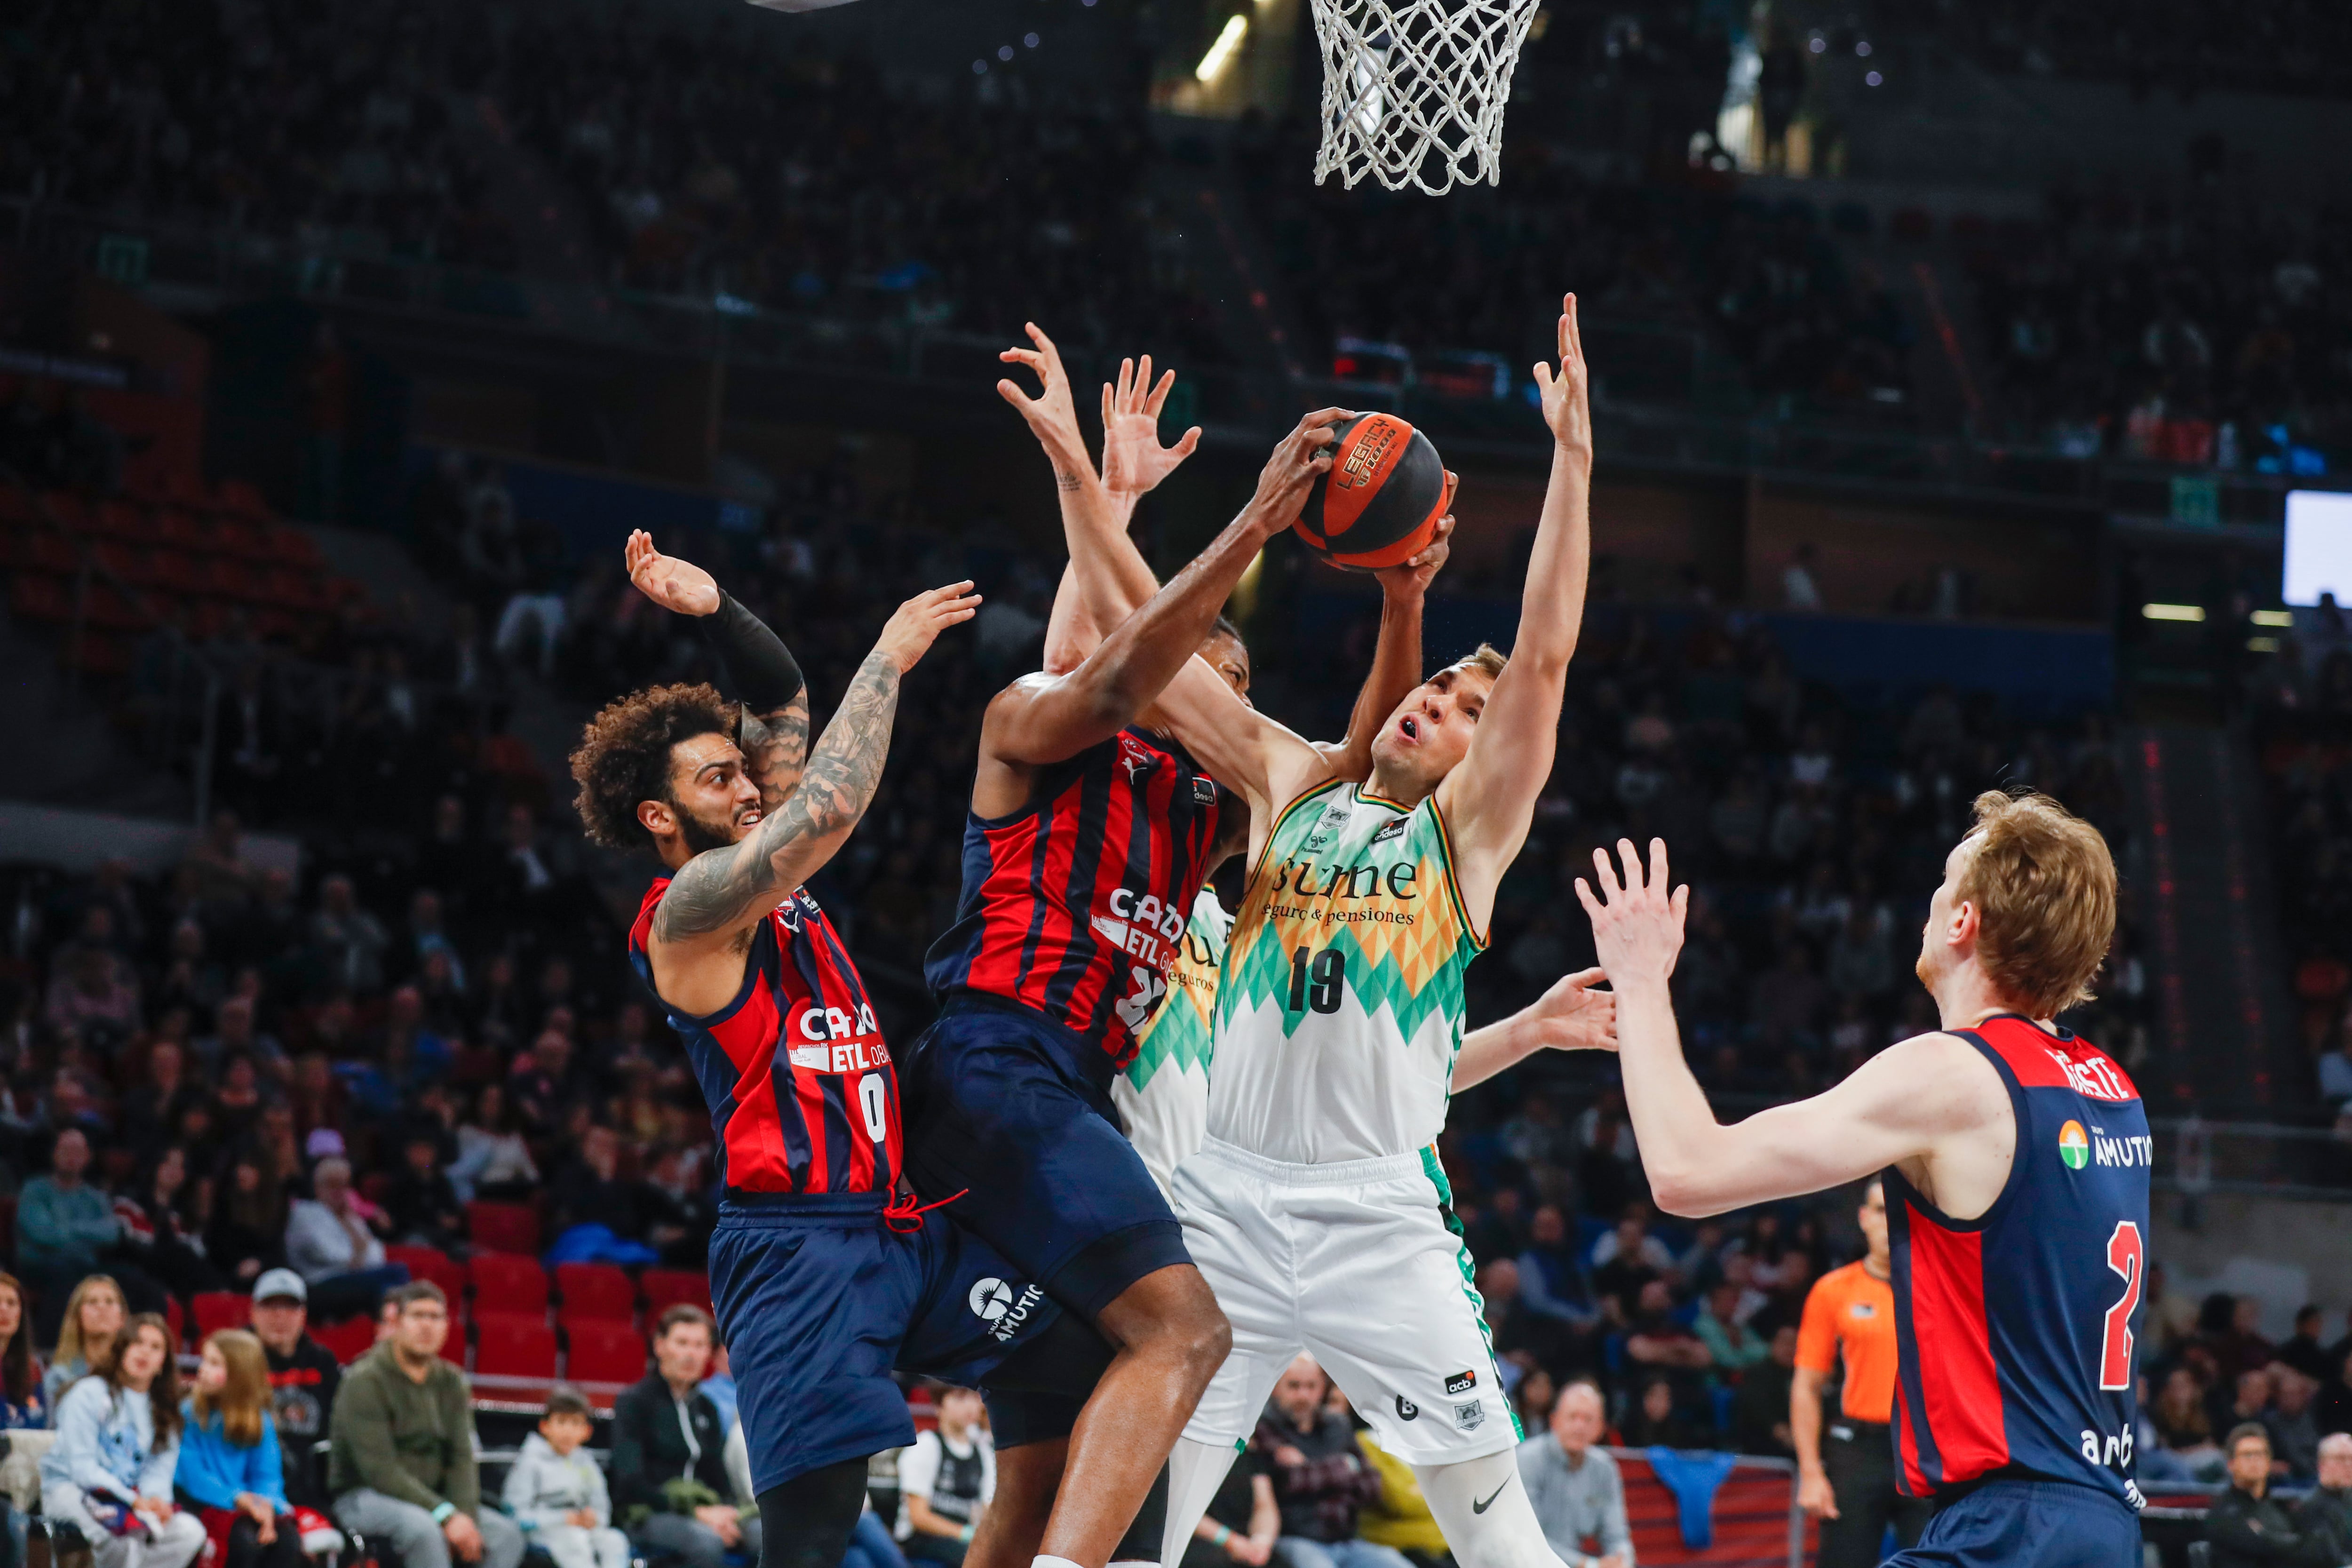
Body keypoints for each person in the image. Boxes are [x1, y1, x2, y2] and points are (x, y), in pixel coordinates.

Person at [1157, 297, 1612, 1568]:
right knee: (1140, 1518)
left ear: (1483, 756)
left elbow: (1548, 656)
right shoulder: (1295, 784)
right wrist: (1112, 491)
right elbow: (1122, 654)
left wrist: (1573, 462)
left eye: (1465, 707)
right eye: (1430, 686)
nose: (1436, 702)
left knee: (1500, 1531)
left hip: (1379, 1216)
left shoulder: (1460, 846)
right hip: (1225, 1196)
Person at [899, 384, 1365, 1568]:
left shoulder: (1209, 808)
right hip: (996, 1064)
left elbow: (1336, 779)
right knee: (1184, 1331)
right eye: (1206, 660)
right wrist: (1213, 518)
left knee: (1039, 1458)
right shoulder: (1039, 721)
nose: (1225, 690)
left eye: (1242, 680)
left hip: (1063, 1100)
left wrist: (1401, 599)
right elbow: (1100, 666)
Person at [582, 543, 1093, 1568]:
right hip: (796, 1246)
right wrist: (890, 659)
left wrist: (718, 606)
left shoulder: (747, 849)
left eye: (739, 768)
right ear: (658, 816)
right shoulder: (687, 913)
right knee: (815, 1536)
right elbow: (832, 806)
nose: (745, 784)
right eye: (717, 776)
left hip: (894, 1223)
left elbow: (778, 694)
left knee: (1074, 1360)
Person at [1582, 787, 2147, 1567]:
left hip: (2010, 1526)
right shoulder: (2113, 1088)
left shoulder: (1956, 1074)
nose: (1930, 900)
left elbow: (1686, 1170)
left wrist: (1641, 981)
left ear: (1963, 920)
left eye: (1945, 882)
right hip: (2102, 1520)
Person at [328, 1281, 524, 1568]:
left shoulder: (452, 1381)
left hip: (435, 1499)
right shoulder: (365, 1380)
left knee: (506, 1536)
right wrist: (445, 1514)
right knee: (424, 1530)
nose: (427, 1326)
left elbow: (461, 1457)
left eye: (436, 1318)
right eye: (418, 1316)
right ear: (396, 1322)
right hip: (365, 1496)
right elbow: (379, 1471)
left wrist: (464, 1517)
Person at [1789, 1179, 1926, 1566]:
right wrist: (1811, 1471)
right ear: (1864, 1218)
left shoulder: (1941, 1287)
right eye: (1881, 1211)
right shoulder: (1833, 1290)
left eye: (1899, 1210)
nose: (1890, 1221)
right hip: (1858, 1449)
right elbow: (1807, 1385)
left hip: (1928, 1446)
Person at [40, 1313, 206, 1568]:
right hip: (72, 1489)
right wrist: (132, 1500)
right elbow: (82, 1469)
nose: (145, 1352)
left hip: (131, 1499)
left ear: (163, 1363)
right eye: (137, 1343)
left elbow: (158, 1471)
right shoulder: (88, 1393)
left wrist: (156, 1500)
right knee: (121, 1537)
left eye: (155, 1347)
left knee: (189, 1532)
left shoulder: (166, 1413)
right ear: (122, 1349)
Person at [611, 1308, 759, 1568]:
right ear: (660, 1346)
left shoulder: (706, 1408)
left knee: (768, 1537)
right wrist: (697, 1513)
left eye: (700, 1345)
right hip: (648, 1512)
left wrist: (724, 1513)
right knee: (706, 1544)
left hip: (705, 1512)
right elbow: (630, 1482)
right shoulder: (634, 1402)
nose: (691, 1354)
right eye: (682, 1343)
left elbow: (718, 1476)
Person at [1253, 1357, 1409, 1568]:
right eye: (1294, 1386)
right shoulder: (1263, 1428)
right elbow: (1288, 1482)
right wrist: (1346, 1466)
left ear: (1322, 1389)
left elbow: (1373, 1486)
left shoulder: (1338, 1425)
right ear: (1275, 1388)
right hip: (1294, 1539)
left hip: (1348, 1540)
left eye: (1311, 1386)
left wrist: (1308, 1469)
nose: (1303, 1395)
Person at [177, 1329, 300, 1568]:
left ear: (239, 1375)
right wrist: (239, 1499)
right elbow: (193, 1477)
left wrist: (267, 1508)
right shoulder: (188, 1414)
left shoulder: (261, 1421)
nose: (202, 1369)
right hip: (204, 1503)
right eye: (205, 1361)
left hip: (249, 1507)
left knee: (288, 1540)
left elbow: (267, 1476)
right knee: (244, 1540)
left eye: (215, 1364)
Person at [503, 1387, 630, 1568]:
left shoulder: (587, 1463)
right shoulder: (530, 1462)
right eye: (562, 1422)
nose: (568, 1431)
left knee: (614, 1541)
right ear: (545, 1426)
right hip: (543, 1531)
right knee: (574, 1542)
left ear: (587, 1431)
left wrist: (594, 1518)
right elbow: (515, 1515)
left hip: (582, 1529)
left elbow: (601, 1508)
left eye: (576, 1423)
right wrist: (562, 1518)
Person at [246, 1270, 338, 1512]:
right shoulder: (238, 1360)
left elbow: (337, 1426)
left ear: (303, 1315)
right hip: (253, 1480)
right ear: (253, 1312)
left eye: (290, 1307)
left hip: (316, 1482)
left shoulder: (322, 1361)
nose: (280, 1315)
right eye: (270, 1306)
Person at [18, 1130, 124, 1342]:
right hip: (40, 1265)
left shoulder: (94, 1197)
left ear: (88, 1157)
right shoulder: (35, 1190)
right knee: (66, 1274)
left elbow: (112, 1233)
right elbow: (43, 1235)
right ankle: (48, 1349)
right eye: (65, 1150)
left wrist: (66, 1229)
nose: (71, 1156)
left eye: (78, 1151)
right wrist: (87, 1236)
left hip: (84, 1266)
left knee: (132, 1280)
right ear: (54, 1154)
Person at [1515, 1382, 1631, 1568]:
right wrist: (1589, 1565)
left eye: (1588, 1419)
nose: (1580, 1426)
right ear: (1554, 1421)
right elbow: (1528, 1539)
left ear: (1600, 1428)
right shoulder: (1527, 1460)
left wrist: (1622, 1561)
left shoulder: (1605, 1469)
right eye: (1572, 1417)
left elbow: (1617, 1536)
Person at [284, 1158, 406, 1321]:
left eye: (344, 1185)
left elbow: (377, 1256)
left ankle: (395, 1325)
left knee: (395, 1276)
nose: (339, 1191)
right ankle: (395, 1325)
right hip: (319, 1282)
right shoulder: (305, 1213)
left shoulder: (350, 1216)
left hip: (352, 1278)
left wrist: (351, 1228)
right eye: (332, 1185)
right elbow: (325, 1253)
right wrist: (357, 1255)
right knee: (389, 1280)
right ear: (318, 1187)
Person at [895, 1386, 994, 1567]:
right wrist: (964, 1533)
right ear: (939, 1406)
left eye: (973, 1397)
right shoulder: (926, 1445)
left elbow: (989, 1510)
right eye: (959, 1398)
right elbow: (918, 1517)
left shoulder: (983, 1453)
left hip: (962, 1544)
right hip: (923, 1545)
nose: (969, 1406)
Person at [2205, 1425, 2319, 1568]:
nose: (2255, 1461)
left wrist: (2264, 1534)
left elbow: (2310, 1548)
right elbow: (2262, 1546)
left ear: (2269, 1462)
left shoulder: (2280, 1508)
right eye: (2247, 1455)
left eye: (2260, 1454)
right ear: (2231, 1464)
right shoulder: (2223, 1512)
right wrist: (2288, 1541)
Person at [43, 1275, 127, 1416]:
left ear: (122, 1317)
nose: (101, 1307)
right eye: (92, 1302)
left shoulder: (134, 1374)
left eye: (110, 1301)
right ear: (77, 1317)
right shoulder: (59, 1377)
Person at [2294, 1431, 2352, 1564]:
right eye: (2341, 1458)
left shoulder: (2350, 1501)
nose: (2349, 1465)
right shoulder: (2308, 1507)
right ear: (2322, 1464)